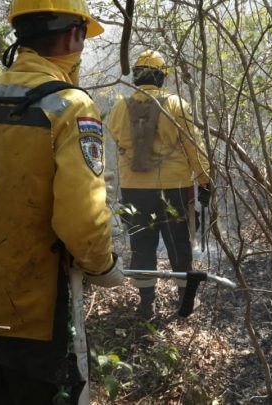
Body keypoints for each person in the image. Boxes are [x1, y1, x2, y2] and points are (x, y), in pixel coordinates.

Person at [0, 0, 123, 403]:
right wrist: (104, 267)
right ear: (73, 34)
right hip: (37, 319)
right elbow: (83, 222)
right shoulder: (69, 106)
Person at [107, 49, 211, 318]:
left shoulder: (119, 107)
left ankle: (146, 303)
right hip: (174, 187)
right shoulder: (176, 105)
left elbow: (115, 142)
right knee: (179, 243)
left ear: (138, 77)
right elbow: (194, 147)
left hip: (133, 189)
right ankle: (185, 300)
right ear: (162, 77)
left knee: (141, 244)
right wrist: (205, 180)